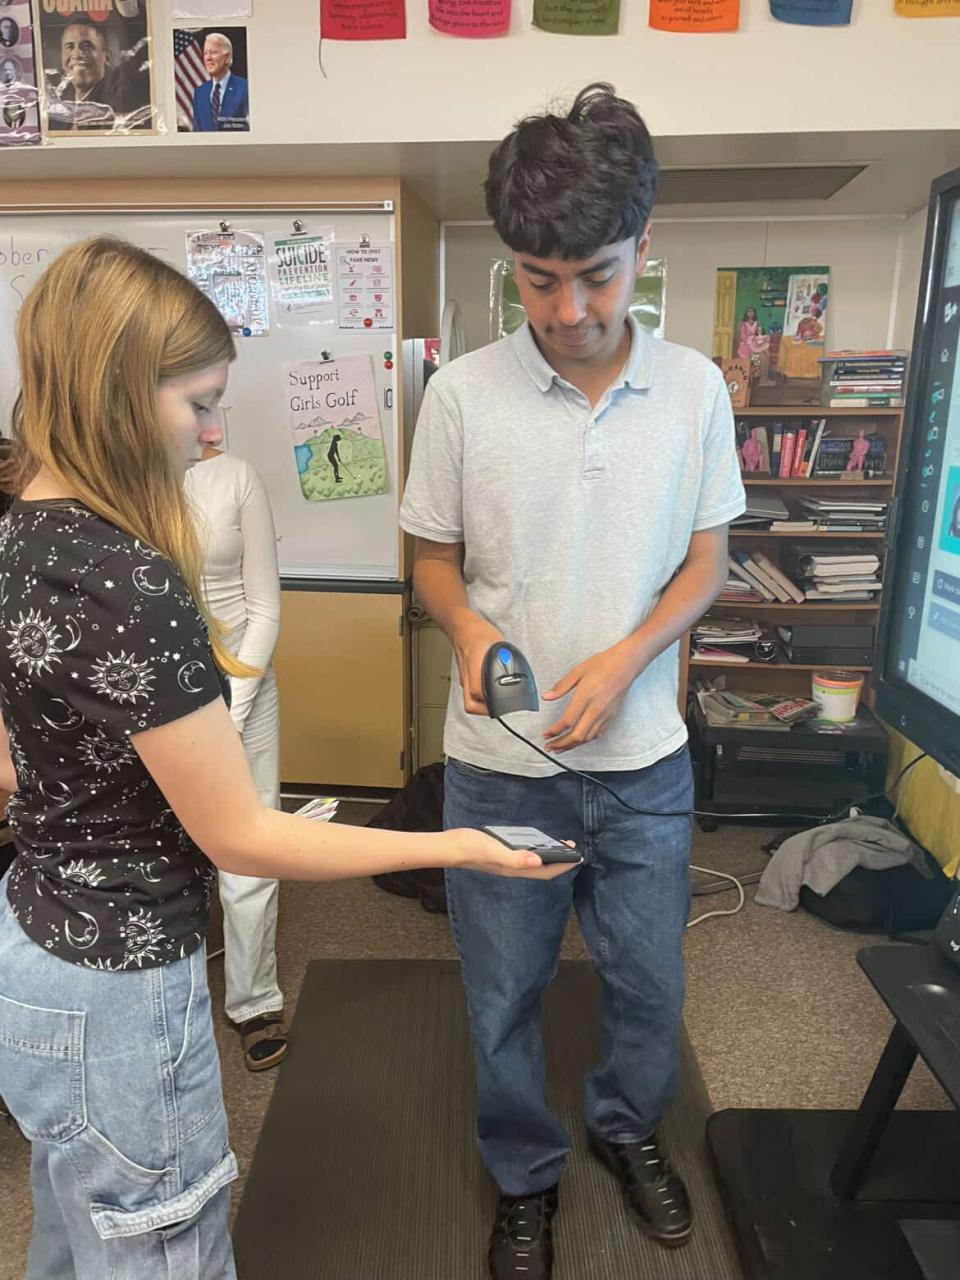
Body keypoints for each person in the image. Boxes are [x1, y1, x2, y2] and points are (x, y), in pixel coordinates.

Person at [0, 237, 566, 1280]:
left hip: (33, 952)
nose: (214, 431)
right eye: (199, 403)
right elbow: (241, 839)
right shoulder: (130, 579)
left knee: (75, 1237)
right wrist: (463, 845)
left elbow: (13, 761)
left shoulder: (20, 533)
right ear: (119, 389)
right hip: (121, 982)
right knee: (161, 1245)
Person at [400, 83, 745, 1280]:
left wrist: (632, 651)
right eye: (538, 280)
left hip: (644, 760)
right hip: (503, 766)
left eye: (595, 275)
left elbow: (707, 561)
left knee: (650, 981)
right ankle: (522, 1175)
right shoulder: (461, 394)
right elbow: (431, 558)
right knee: (503, 991)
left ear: (645, 244)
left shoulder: (696, 390)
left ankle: (625, 1127)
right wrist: (466, 627)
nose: (568, 309)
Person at [185, 447, 287, 1072]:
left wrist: (234, 709)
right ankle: (167, 998)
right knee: (160, 843)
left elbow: (266, 607)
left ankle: (254, 1000)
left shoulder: (235, 475)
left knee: (251, 846)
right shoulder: (114, 472)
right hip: (153, 689)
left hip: (243, 678)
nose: (206, 423)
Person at [47, 20, 151, 133]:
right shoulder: (56, 106)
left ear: (106, 56)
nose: (76, 54)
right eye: (69, 47)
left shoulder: (123, 96)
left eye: (87, 46)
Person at [192, 32, 249, 133]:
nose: (208, 58)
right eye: (205, 53)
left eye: (213, 52)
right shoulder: (200, 92)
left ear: (227, 57)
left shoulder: (245, 88)